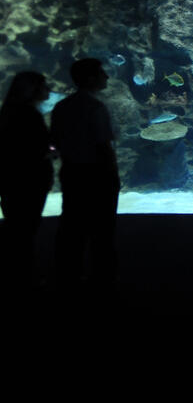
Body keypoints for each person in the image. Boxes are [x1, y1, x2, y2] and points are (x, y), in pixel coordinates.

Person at [50, 58, 120, 296]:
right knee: (102, 229)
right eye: (102, 73)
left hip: (71, 172)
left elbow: (54, 143)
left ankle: (66, 278)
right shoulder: (95, 107)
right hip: (97, 175)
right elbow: (103, 145)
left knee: (71, 225)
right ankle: (102, 281)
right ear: (90, 78)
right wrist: (112, 174)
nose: (106, 77)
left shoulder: (61, 107)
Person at [0, 71, 54, 292]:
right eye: (44, 86)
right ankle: (23, 279)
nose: (49, 90)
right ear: (31, 89)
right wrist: (51, 151)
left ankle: (16, 276)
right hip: (29, 182)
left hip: (12, 181)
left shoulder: (8, 112)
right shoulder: (27, 114)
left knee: (16, 228)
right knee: (24, 230)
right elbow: (34, 149)